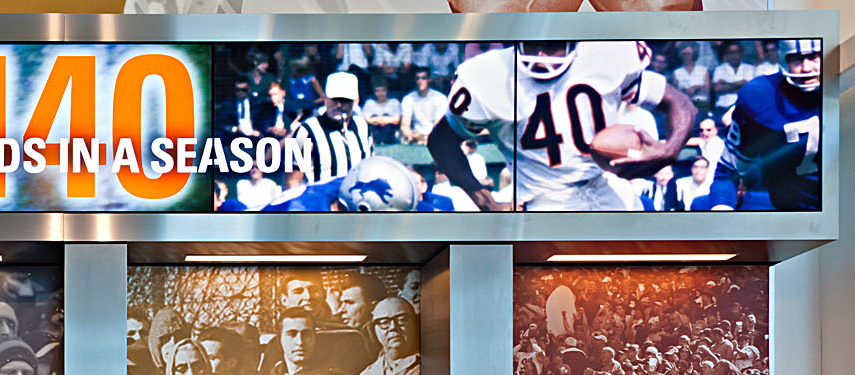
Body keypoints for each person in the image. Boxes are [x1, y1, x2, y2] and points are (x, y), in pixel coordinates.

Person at [430, 41, 695, 211]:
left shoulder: (605, 53)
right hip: (544, 200)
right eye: (534, 44)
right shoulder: (488, 74)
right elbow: (441, 141)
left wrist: (671, 148)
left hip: (607, 183)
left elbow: (680, 102)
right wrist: (486, 201)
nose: (542, 56)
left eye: (552, 44)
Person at [708, 40, 822, 211]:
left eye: (813, 57)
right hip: (792, 211)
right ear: (783, 59)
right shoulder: (761, 96)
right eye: (796, 58)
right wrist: (721, 210)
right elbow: (728, 172)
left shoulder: (847, 86)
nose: (806, 68)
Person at [293, 72, 373, 185]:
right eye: (334, 99)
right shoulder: (306, 131)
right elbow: (292, 181)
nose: (338, 105)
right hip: (319, 199)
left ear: (355, 101)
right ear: (325, 98)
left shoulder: (362, 127)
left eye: (344, 100)